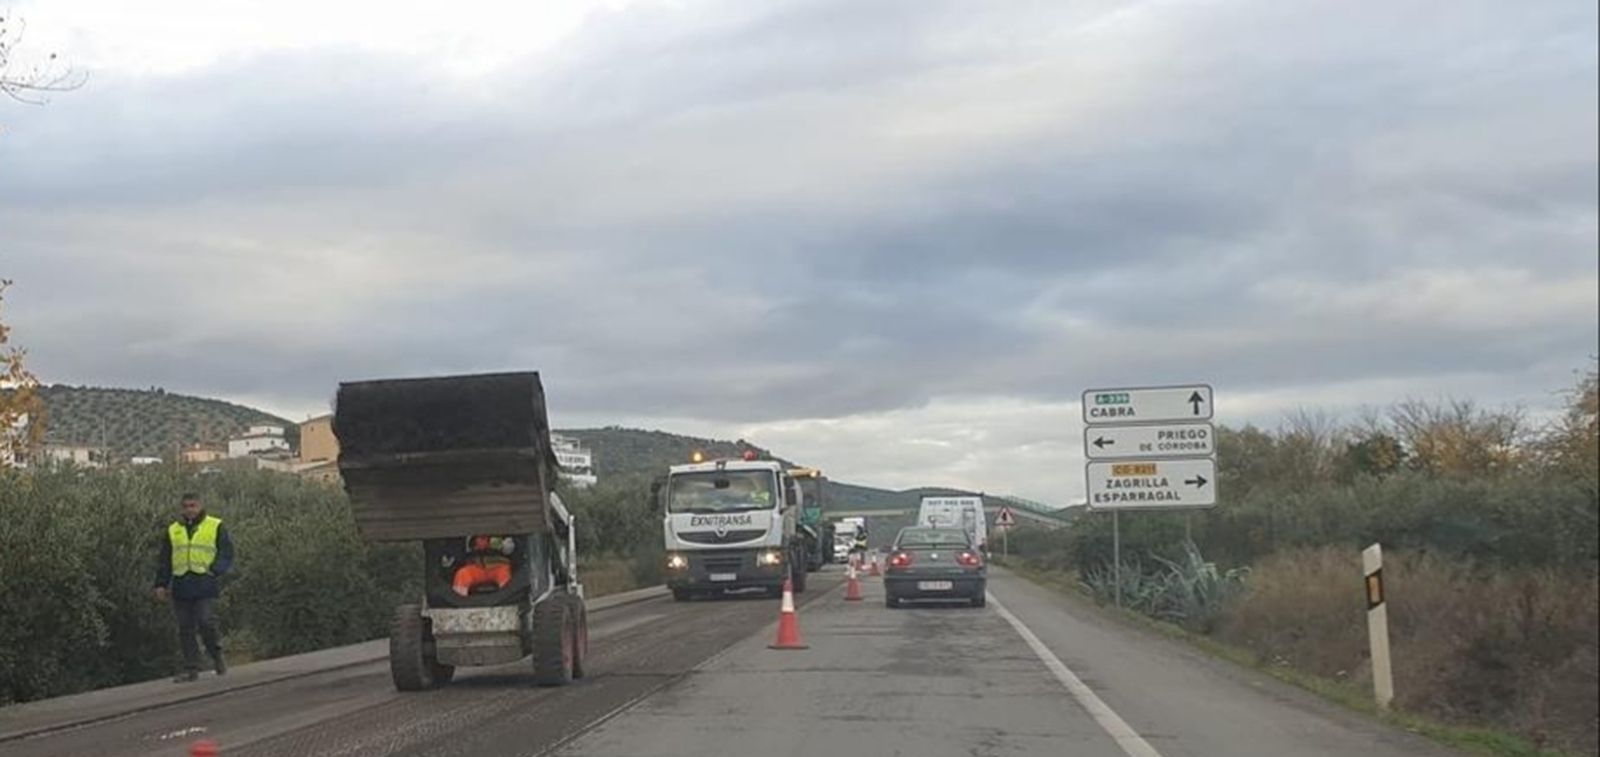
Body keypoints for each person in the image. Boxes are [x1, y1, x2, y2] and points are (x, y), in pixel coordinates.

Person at [153, 493, 234, 682]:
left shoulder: (215, 525)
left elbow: (227, 552)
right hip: (181, 583)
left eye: (193, 505)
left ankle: (216, 655)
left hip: (204, 582)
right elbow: (165, 559)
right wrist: (160, 584)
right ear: (182, 509)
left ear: (200, 506)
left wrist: (216, 569)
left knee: (206, 622)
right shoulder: (173, 530)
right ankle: (192, 668)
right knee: (185, 628)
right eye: (186, 506)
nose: (190, 509)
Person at [448, 535, 516, 596]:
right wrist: (473, 543)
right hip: (476, 567)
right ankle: (459, 605)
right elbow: (460, 547)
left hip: (498, 565)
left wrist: (499, 544)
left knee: (505, 575)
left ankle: (508, 600)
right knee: (462, 574)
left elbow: (511, 548)